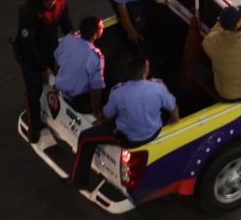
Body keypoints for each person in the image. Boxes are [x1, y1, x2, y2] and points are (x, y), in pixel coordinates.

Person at [68, 56, 179, 188]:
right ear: (144, 72)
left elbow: (108, 116)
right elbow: (173, 109)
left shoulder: (118, 92)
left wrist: (101, 121)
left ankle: (78, 181)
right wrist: (174, 121)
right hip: (153, 133)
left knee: (85, 137)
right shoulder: (158, 88)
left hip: (128, 138)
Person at [15, 0, 74, 143]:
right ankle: (34, 125)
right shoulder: (28, 11)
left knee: (61, 85)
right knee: (33, 91)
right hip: (30, 54)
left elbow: (66, 24)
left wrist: (76, 42)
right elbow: (28, 45)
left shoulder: (60, 2)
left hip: (51, 49)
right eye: (49, 0)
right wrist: (43, 68)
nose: (52, 2)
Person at [53, 15, 106, 116]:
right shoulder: (95, 57)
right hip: (79, 102)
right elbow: (96, 89)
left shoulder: (68, 39)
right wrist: (97, 112)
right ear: (96, 34)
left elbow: (57, 62)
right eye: (101, 27)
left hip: (63, 93)